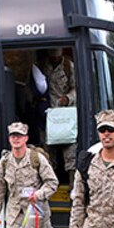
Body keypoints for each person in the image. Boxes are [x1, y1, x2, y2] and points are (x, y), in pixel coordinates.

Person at [41, 48, 77, 177]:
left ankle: (72, 180)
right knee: (48, 150)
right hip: (46, 113)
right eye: (52, 57)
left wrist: (68, 98)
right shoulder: (41, 66)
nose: (55, 59)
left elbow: (76, 89)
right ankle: (50, 179)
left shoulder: (68, 67)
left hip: (64, 114)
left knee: (69, 147)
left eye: (57, 57)